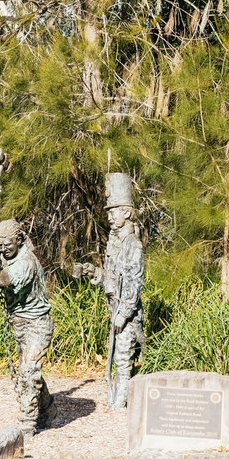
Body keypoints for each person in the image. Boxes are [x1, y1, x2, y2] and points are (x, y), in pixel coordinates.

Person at [0, 182, 53, 434]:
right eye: (1, 245)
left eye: (9, 245)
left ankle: (27, 424)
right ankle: (49, 408)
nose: (4, 249)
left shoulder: (25, 263)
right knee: (27, 372)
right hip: (18, 322)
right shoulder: (7, 251)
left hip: (37, 324)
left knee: (29, 371)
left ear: (19, 241)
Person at [76, 173, 144, 409]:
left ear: (126, 213)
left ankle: (120, 403)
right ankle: (117, 399)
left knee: (123, 355)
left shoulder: (132, 243)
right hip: (113, 306)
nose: (109, 216)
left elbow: (135, 281)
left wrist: (124, 312)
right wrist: (94, 273)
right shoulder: (114, 242)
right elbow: (111, 277)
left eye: (113, 211)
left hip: (125, 311)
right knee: (117, 354)